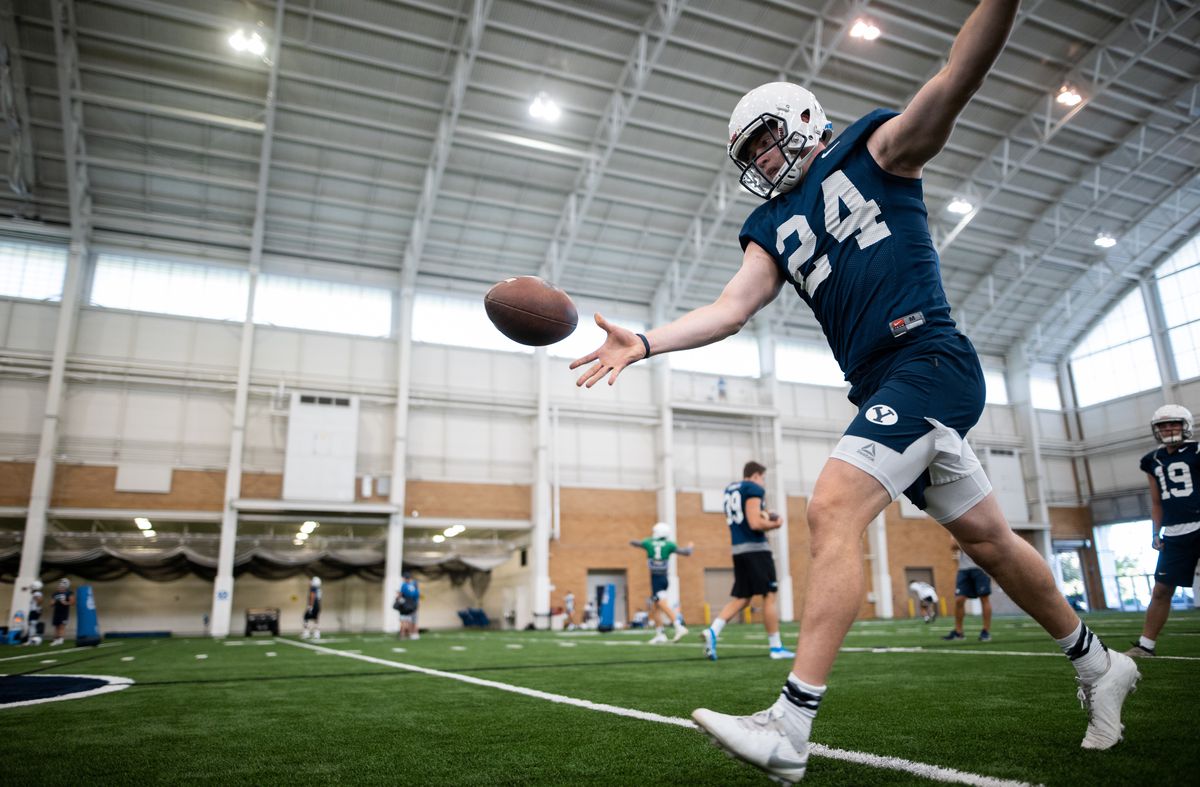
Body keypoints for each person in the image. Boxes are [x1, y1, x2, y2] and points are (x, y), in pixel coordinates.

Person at [570, 1, 1138, 778]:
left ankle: (789, 726)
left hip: (929, 359)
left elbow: (956, 76)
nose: (764, 161)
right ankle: (1100, 663)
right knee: (991, 542)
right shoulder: (769, 226)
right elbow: (731, 308)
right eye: (751, 153)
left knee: (832, 504)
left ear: (803, 119)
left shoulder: (877, 150)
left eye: (768, 140)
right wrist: (644, 341)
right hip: (883, 381)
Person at [1126, 404, 1200, 658]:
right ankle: (1146, 645)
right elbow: (1156, 502)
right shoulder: (1152, 460)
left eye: (1174, 423)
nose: (1168, 429)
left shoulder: (1197, 450)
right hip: (1176, 532)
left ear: (1185, 425)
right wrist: (1155, 533)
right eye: (1163, 425)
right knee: (1161, 589)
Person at [700, 462, 793, 661]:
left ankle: (713, 631)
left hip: (738, 549)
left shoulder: (731, 489)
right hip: (756, 549)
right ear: (756, 476)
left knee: (743, 597)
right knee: (769, 595)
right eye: (763, 478)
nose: (763, 482)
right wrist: (775, 523)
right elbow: (755, 523)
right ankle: (776, 648)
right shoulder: (753, 488)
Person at [629, 522, 694, 643]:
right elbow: (686, 552)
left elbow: (633, 542)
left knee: (662, 604)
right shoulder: (669, 544)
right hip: (664, 578)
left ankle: (679, 626)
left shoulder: (649, 542)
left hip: (656, 579)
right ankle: (660, 634)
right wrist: (690, 546)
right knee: (655, 608)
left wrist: (634, 539)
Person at [943, 545, 994, 641]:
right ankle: (958, 632)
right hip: (963, 569)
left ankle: (985, 631)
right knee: (959, 600)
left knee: (984, 598)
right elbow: (953, 545)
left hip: (980, 567)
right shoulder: (957, 530)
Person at [396, 571, 420, 640]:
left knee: (403, 620)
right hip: (414, 605)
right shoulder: (414, 585)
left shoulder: (404, 585)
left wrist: (398, 598)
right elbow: (417, 596)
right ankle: (414, 634)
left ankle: (403, 634)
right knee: (413, 621)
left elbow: (401, 595)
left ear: (405, 578)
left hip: (405, 605)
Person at [50, 578, 73, 646]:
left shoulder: (69, 593)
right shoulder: (55, 593)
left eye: (62, 585)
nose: (60, 586)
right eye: (60, 585)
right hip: (57, 611)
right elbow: (51, 603)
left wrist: (65, 602)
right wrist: (54, 602)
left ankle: (61, 639)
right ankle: (56, 639)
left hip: (64, 612)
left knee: (61, 626)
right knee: (56, 626)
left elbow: (72, 602)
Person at [22, 579, 44, 646]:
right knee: (32, 625)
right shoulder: (36, 593)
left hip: (35, 611)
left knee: (32, 625)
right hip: (34, 611)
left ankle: (30, 640)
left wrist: (37, 606)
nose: (31, 587)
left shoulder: (37, 593)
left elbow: (40, 600)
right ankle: (32, 640)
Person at [301, 576, 322, 640]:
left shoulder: (313, 588)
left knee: (305, 617)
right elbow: (319, 599)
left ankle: (306, 632)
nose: (310, 582)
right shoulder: (319, 589)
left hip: (313, 605)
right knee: (316, 618)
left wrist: (310, 606)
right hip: (318, 606)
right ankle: (317, 633)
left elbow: (312, 596)